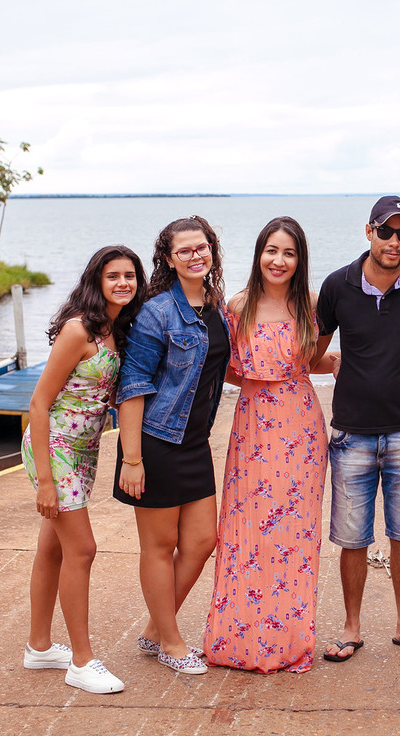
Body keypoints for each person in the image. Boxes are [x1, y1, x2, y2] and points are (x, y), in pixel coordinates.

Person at [314, 195, 400, 662]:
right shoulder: (337, 285)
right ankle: (351, 628)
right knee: (352, 537)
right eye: (385, 231)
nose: (394, 241)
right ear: (368, 231)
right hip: (350, 432)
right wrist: (333, 362)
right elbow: (313, 347)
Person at [203, 216, 333, 673]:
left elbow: (313, 359)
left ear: (300, 260)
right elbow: (225, 367)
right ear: (259, 254)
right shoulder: (236, 306)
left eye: (289, 253)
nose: (279, 261)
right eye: (271, 250)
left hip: (301, 427)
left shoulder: (312, 306)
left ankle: (289, 642)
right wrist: (261, 380)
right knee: (247, 532)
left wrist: (332, 365)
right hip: (254, 425)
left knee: (294, 536)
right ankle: (239, 640)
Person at [22, 245, 146, 694]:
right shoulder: (78, 330)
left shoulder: (117, 330)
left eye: (130, 276)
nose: (123, 284)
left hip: (83, 450)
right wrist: (46, 479)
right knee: (83, 550)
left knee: (52, 549)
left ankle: (38, 647)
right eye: (113, 276)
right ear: (96, 281)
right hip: (55, 448)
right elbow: (38, 404)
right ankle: (81, 660)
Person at [113, 216, 229, 676]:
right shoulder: (156, 311)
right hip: (156, 442)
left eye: (202, 248)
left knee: (202, 541)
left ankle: (154, 627)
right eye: (185, 251)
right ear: (168, 258)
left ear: (212, 251)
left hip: (194, 441)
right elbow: (132, 386)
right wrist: (132, 459)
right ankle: (171, 641)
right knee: (159, 546)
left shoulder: (214, 305)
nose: (196, 256)